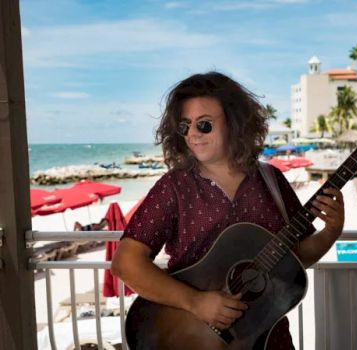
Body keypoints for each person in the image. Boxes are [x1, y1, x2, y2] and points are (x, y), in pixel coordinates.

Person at [111, 71, 344, 349]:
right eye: (185, 126)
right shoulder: (175, 187)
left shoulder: (271, 181)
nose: (193, 135)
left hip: (268, 338)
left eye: (204, 125)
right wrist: (196, 302)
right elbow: (125, 263)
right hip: (191, 337)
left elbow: (293, 259)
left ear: (235, 123)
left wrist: (331, 231)